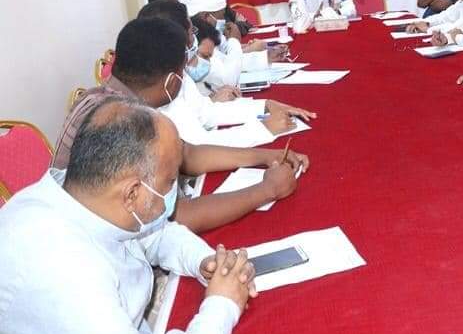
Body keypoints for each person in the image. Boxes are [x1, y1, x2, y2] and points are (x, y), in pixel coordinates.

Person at [0, 98, 256, 334]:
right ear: (132, 193)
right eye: (170, 182)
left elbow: (155, 233)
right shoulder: (64, 272)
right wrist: (222, 305)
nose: (173, 190)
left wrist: (203, 261)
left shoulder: (91, 190)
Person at [52, 17, 308, 234]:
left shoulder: (107, 99)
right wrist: (267, 190)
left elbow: (188, 155)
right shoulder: (122, 123)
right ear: (172, 81)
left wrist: (265, 156)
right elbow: (177, 218)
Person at [136, 0, 314, 148]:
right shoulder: (162, 84)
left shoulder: (175, 70)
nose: (194, 39)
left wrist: (265, 106)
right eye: (191, 32)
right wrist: (263, 129)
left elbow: (206, 112)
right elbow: (197, 147)